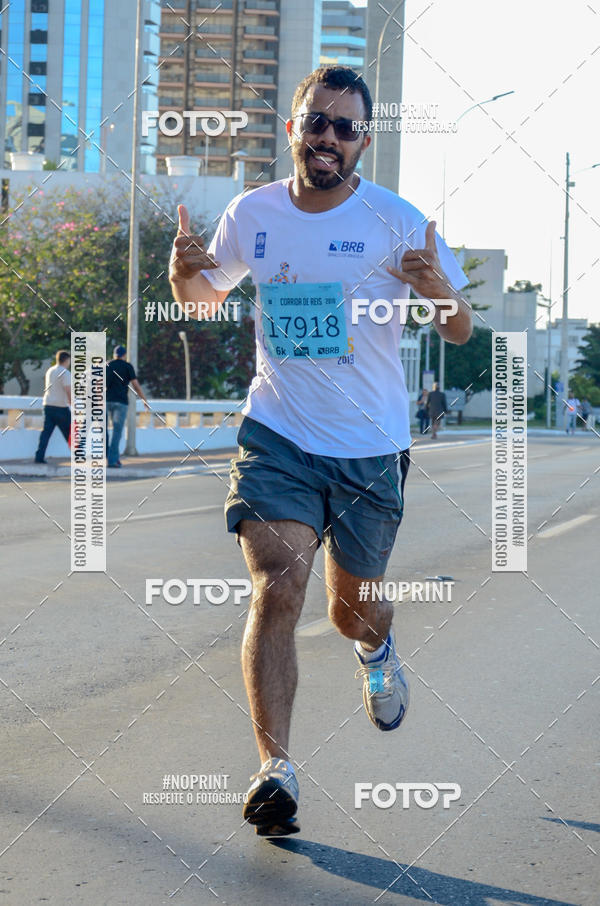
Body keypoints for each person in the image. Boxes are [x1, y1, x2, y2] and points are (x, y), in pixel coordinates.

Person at [169, 65, 472, 837]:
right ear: (293, 128)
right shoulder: (254, 212)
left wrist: (438, 290)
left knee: (351, 611)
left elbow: (459, 328)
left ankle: (377, 649)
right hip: (279, 435)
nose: (328, 137)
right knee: (278, 584)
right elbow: (207, 298)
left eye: (344, 127)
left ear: (364, 140)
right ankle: (276, 769)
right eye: (316, 122)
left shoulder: (398, 220)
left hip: (369, 449)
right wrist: (182, 280)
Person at [106, 345, 149, 467]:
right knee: (117, 432)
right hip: (121, 403)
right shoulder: (127, 366)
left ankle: (111, 456)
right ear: (124, 355)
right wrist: (144, 400)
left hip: (106, 401)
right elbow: (136, 386)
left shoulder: (107, 365)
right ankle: (112, 460)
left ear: (115, 355)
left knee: (105, 432)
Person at [34, 350, 71, 464]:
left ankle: (39, 457)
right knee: (70, 433)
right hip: (61, 407)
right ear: (66, 360)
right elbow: (68, 389)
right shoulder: (65, 372)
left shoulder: (50, 370)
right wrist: (72, 401)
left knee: (46, 433)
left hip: (48, 405)